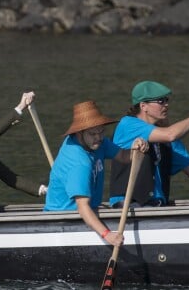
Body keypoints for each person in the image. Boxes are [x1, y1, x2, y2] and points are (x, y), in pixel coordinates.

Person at [44, 101, 149, 246]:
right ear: (79, 134)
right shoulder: (79, 162)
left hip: (86, 210)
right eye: (93, 134)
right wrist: (107, 235)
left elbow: (124, 157)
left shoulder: (99, 143)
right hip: (64, 218)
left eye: (101, 132)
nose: (98, 137)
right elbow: (82, 207)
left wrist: (136, 147)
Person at [109, 80, 189, 208]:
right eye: (161, 101)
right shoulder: (128, 125)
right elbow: (171, 134)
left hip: (157, 206)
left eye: (166, 100)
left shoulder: (168, 139)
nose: (166, 105)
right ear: (143, 106)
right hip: (129, 205)